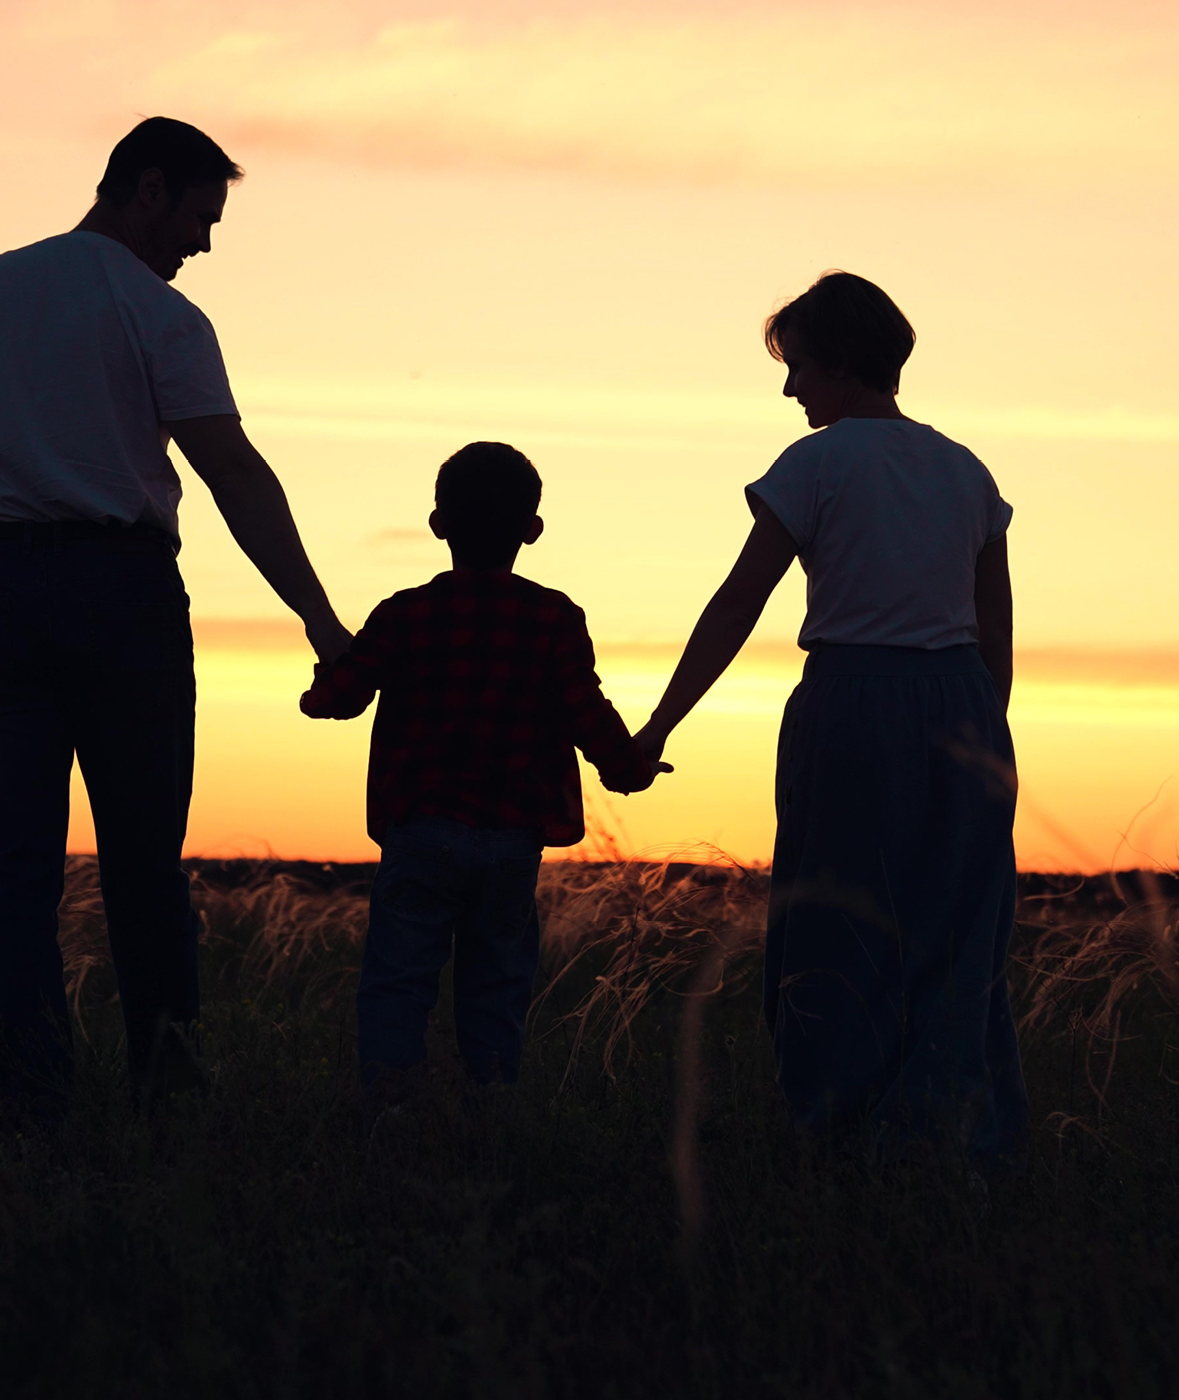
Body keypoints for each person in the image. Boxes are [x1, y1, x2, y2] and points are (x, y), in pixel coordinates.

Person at [0, 118, 351, 1116]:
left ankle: (30, 1094)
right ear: (148, 190)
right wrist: (320, 617)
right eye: (199, 214)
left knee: (12, 871)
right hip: (122, 596)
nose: (204, 242)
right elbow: (232, 473)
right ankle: (168, 1085)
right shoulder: (159, 316)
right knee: (144, 863)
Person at [633, 272, 1027, 1159]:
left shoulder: (814, 464)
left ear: (842, 360)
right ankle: (954, 1135)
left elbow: (735, 605)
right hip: (962, 703)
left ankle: (832, 1127)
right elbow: (993, 631)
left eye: (798, 366)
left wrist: (659, 726)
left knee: (834, 918)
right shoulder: (965, 468)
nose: (789, 388)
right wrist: (980, 743)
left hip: (855, 699)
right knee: (956, 927)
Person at [300, 443, 658, 1090]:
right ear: (532, 530)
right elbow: (587, 713)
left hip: (418, 833)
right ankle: (489, 1117)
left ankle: (389, 1115)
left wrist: (320, 681)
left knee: (398, 982)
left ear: (438, 523)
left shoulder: (404, 613)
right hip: (511, 841)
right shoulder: (554, 618)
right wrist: (629, 768)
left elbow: (339, 700)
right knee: (497, 985)